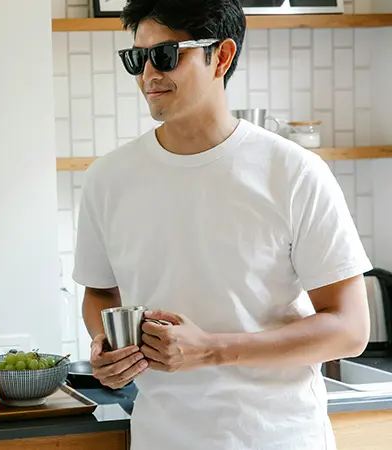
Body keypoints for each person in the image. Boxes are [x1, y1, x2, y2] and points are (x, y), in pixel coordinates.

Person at [73, 1, 371, 449]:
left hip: (278, 437)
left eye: (166, 55)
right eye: (137, 58)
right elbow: (99, 294)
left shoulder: (294, 172)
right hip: (162, 438)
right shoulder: (108, 178)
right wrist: (106, 343)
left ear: (223, 56)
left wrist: (211, 349)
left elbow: (350, 328)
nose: (149, 74)